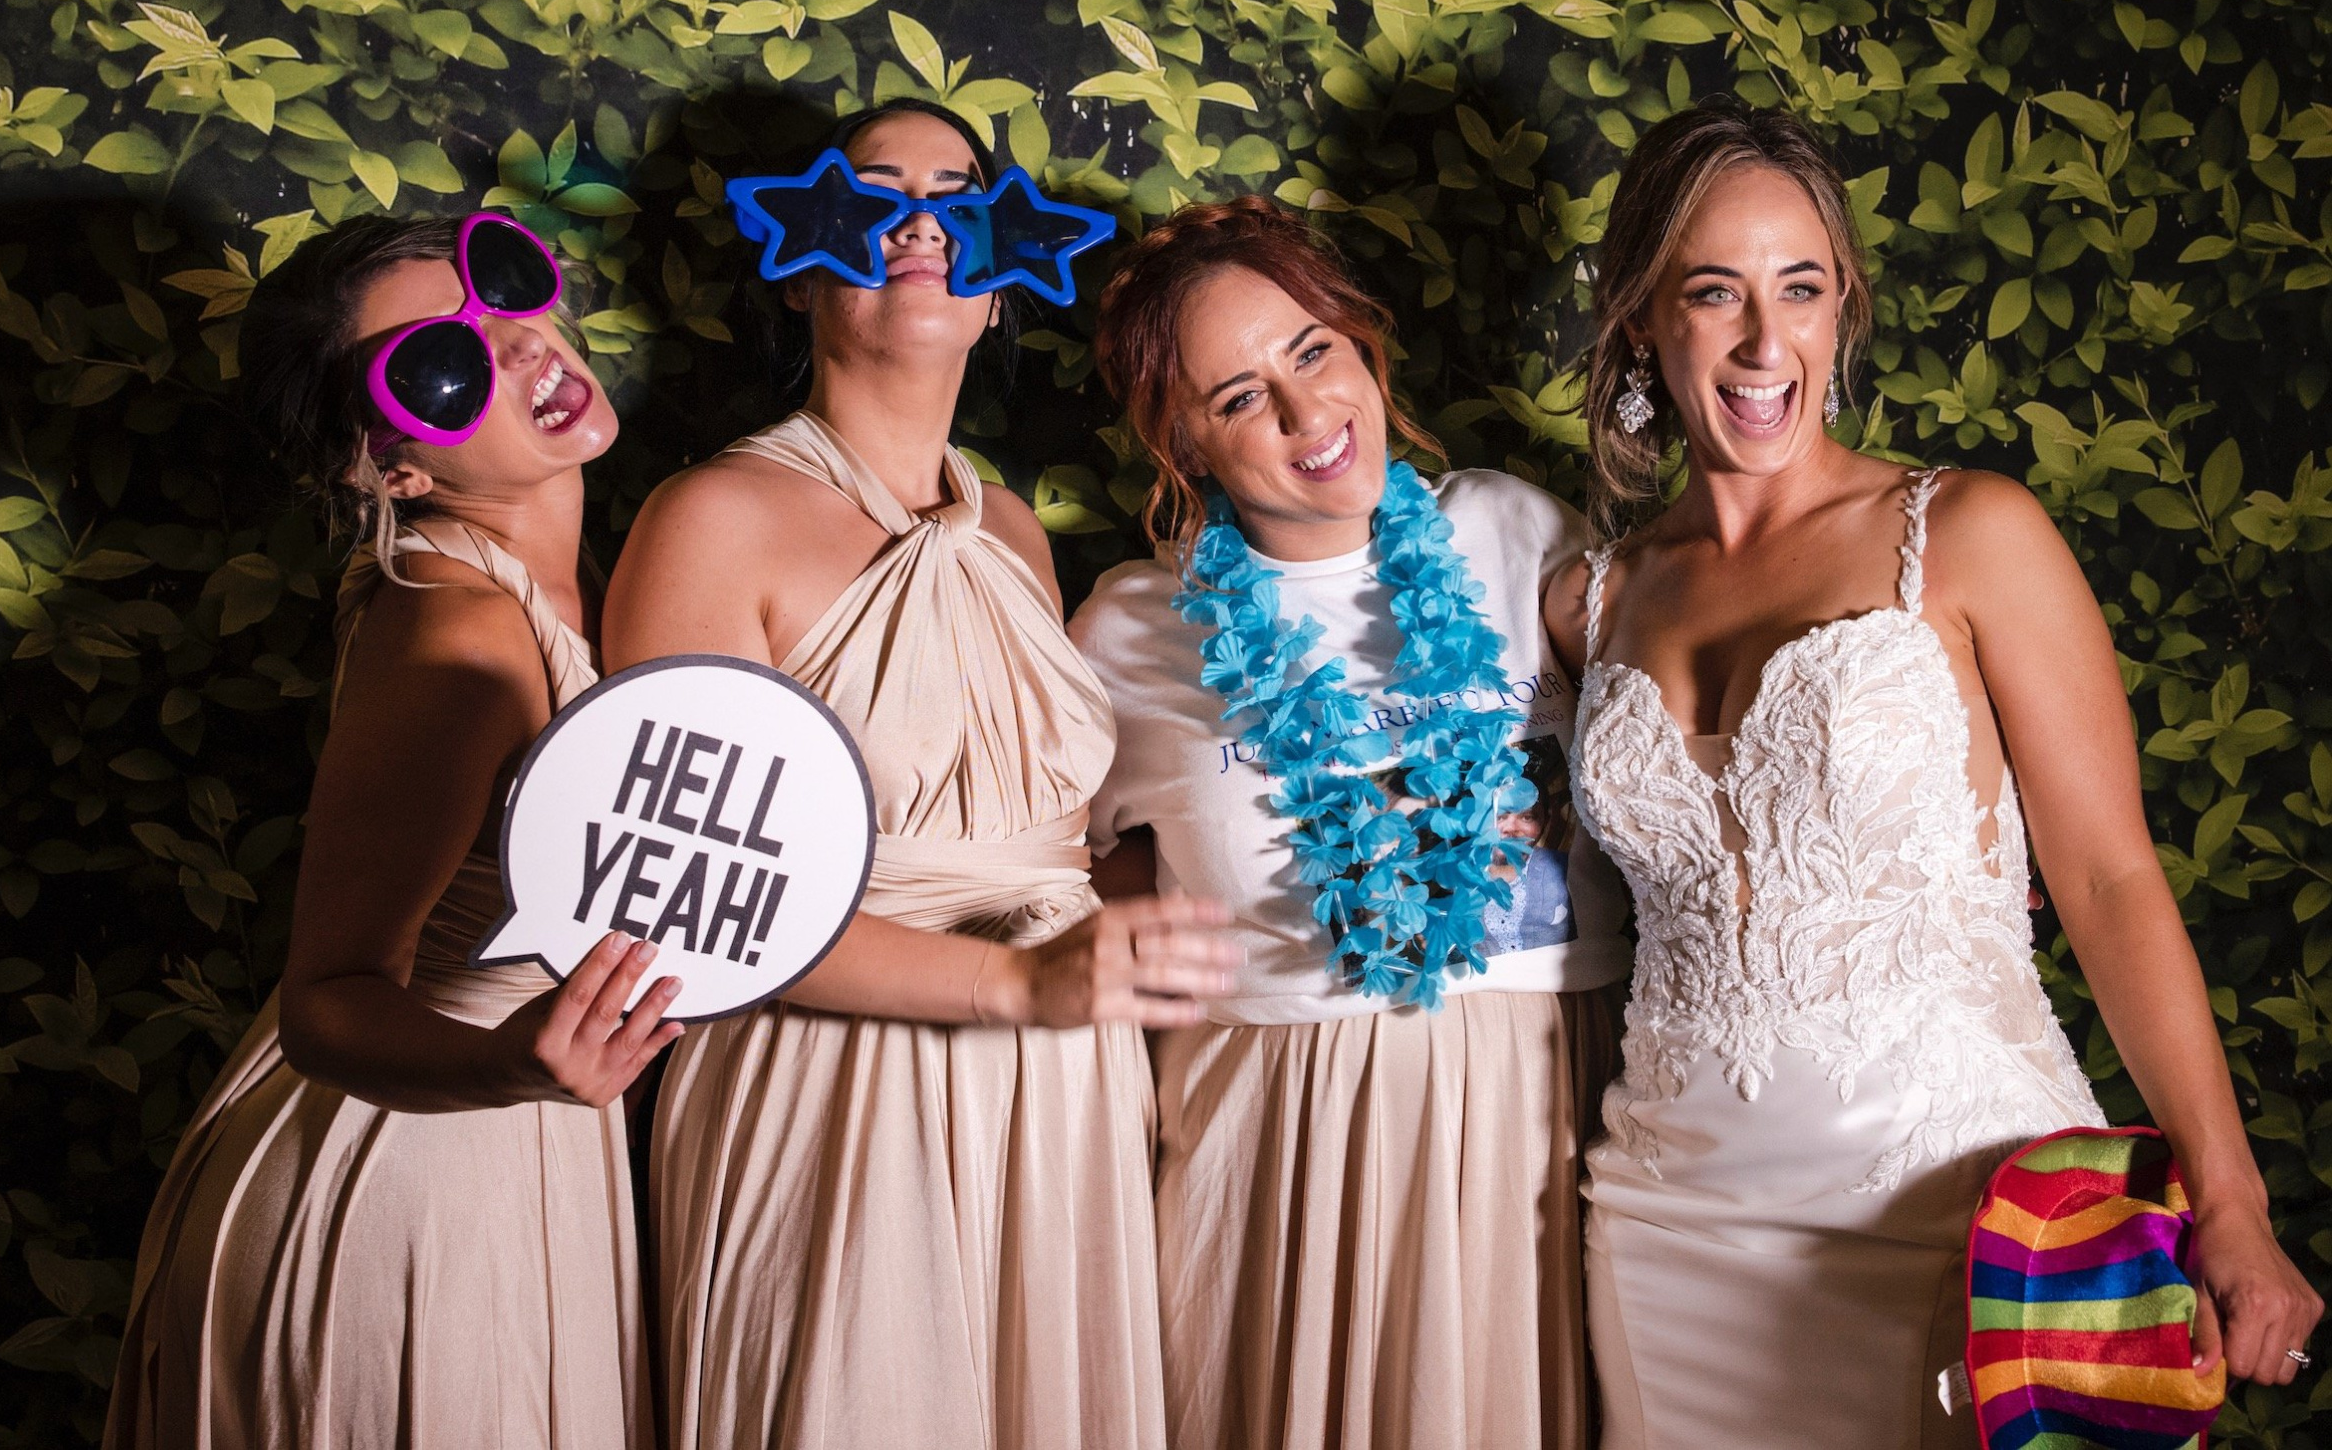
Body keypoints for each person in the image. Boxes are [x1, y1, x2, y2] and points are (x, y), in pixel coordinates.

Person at [1547, 101, 2324, 1447]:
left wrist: (2233, 1200)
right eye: (1713, 291)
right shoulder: (1588, 599)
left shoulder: (1966, 533)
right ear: (1641, 319)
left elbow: (2109, 875)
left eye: (1800, 287)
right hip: (1670, 1236)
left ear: (1841, 308)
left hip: (1960, 1219)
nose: (1760, 340)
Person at [605, 100, 1238, 1450]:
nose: (917, 222)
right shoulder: (713, 516)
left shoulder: (1009, 526)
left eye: (957, 193)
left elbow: (1039, 844)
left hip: (1056, 1079)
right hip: (836, 1084)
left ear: (1005, 279)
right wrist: (1012, 980)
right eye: (873, 192)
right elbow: (681, 903)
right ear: (797, 254)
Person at [106, 214, 679, 1450]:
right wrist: (512, 1066)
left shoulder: (572, 581)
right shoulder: (456, 635)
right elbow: (329, 997)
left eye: (503, 289)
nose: (519, 347)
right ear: (394, 467)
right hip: (411, 1171)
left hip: (515, 1136)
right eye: (442, 365)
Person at [1072, 198, 1631, 1449]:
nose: (1302, 410)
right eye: (1237, 396)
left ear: (1363, 343)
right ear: (1186, 443)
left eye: (1312, 349)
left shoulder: (1515, 528)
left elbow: (1693, 712)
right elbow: (1061, 873)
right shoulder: (1128, 628)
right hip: (1280, 1137)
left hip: (1538, 1104)